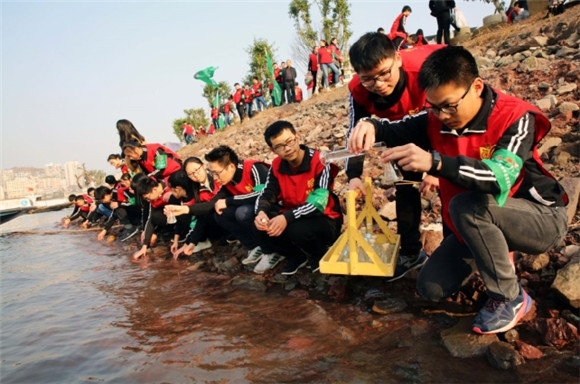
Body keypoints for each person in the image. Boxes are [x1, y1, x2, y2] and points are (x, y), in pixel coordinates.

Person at [348, 45, 569, 335]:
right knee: (430, 288)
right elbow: (394, 128)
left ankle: (510, 297)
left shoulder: (514, 117)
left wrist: (435, 163)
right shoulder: (434, 118)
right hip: (476, 221)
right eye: (433, 107)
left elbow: (500, 177)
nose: (441, 115)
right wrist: (369, 125)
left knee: (467, 207)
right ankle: (491, 252)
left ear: (476, 87)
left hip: (539, 218)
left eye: (449, 106)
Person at [346, 32, 443, 280]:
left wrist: (435, 167)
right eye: (368, 79)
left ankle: (459, 246)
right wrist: (354, 175)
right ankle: (411, 253)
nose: (378, 84)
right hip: (400, 129)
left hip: (440, 124)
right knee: (406, 186)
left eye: (384, 74)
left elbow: (451, 117)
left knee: (449, 182)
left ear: (397, 59)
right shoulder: (358, 89)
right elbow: (355, 131)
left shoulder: (425, 69)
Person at [252, 121, 343, 275]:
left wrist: (286, 217)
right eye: (280, 146)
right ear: (272, 150)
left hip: (325, 218)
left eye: (290, 141)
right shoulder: (276, 165)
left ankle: (319, 253)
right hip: (294, 212)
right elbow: (267, 193)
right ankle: (296, 256)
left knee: (296, 229)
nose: (287, 149)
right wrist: (260, 213)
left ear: (297, 137)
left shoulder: (321, 160)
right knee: (264, 222)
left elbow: (318, 203)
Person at [204, 145, 271, 266]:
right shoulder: (228, 181)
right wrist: (185, 209)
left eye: (217, 173)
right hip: (253, 211)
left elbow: (263, 194)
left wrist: (229, 201)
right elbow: (212, 203)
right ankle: (254, 246)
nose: (215, 178)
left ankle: (270, 250)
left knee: (242, 212)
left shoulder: (253, 168)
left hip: (270, 210)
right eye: (211, 173)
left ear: (231, 166)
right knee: (220, 214)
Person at [164, 157, 222, 259]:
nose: (195, 175)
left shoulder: (217, 177)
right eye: (191, 174)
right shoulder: (197, 191)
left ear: (203, 166)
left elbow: (211, 205)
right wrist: (189, 243)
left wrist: (189, 242)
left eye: (197, 170)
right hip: (214, 218)